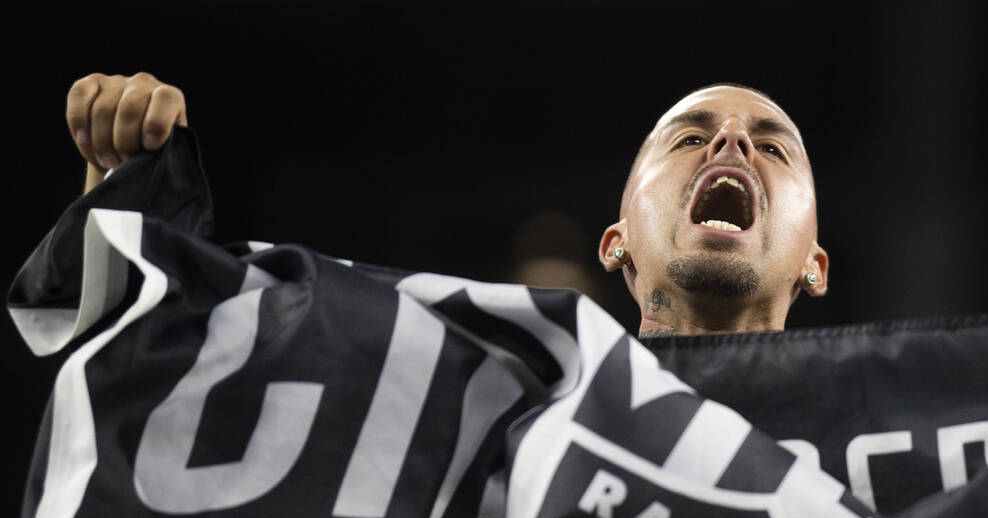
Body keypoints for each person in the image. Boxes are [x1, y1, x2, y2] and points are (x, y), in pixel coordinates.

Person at [65, 73, 828, 338]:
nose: (730, 140)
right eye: (689, 136)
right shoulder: (499, 407)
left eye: (775, 144)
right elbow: (174, 384)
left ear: (815, 265)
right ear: (617, 243)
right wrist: (127, 206)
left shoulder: (919, 455)